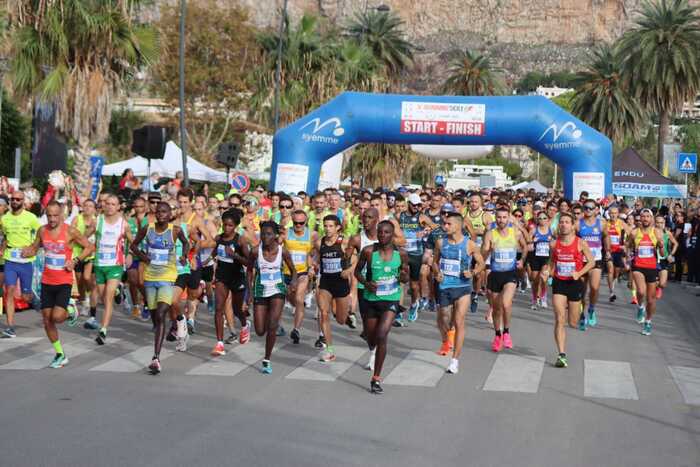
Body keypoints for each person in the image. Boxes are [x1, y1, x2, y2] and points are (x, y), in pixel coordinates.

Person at [27, 201, 93, 368]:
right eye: (49, 215)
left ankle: (71, 310)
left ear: (62, 214)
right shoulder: (43, 231)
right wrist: (29, 250)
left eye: (55, 215)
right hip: (46, 281)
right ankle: (60, 354)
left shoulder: (70, 231)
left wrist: (75, 260)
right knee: (47, 320)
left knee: (57, 317)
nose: (52, 219)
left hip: (64, 280)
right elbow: (35, 246)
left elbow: (89, 247)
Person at [130, 202, 189, 374]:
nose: (161, 214)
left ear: (170, 213)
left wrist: (184, 256)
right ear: (155, 214)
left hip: (168, 277)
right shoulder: (147, 229)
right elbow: (134, 245)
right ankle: (172, 326)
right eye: (158, 212)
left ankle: (156, 357)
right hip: (150, 278)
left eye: (164, 212)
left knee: (162, 313)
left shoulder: (176, 230)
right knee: (156, 318)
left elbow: (186, 243)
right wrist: (143, 257)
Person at [354, 220, 409, 394]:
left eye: (386, 232)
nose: (382, 235)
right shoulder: (369, 252)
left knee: (382, 334)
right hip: (371, 300)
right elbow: (357, 272)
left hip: (391, 300)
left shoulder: (401, 254)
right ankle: (372, 345)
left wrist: (403, 276)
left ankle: (376, 378)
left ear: (392, 235)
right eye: (380, 232)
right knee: (372, 338)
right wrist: (366, 283)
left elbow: (406, 277)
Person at [433, 212, 484, 374]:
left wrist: (473, 272)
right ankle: (446, 338)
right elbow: (435, 262)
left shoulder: (469, 245)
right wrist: (437, 273)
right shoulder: (441, 243)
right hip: (445, 287)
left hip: (462, 287)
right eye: (444, 223)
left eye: (448, 224)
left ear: (458, 225)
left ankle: (454, 360)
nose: (445, 226)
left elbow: (481, 263)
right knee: (443, 317)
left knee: (459, 319)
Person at [545, 212, 595, 368]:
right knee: (560, 319)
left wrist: (579, 273)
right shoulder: (553, 244)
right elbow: (552, 262)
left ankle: (580, 309)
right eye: (561, 222)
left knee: (572, 322)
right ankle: (561, 354)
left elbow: (591, 262)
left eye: (567, 222)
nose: (563, 224)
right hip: (559, 283)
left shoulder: (581, 243)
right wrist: (547, 272)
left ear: (573, 225)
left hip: (574, 283)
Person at [247, 221, 297, 374]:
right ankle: (265, 318)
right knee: (260, 330)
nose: (265, 237)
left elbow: (293, 271)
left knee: (273, 325)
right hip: (260, 290)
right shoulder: (255, 251)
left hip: (278, 289)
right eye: (262, 234)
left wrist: (293, 283)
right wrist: (249, 292)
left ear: (275, 235)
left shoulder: (283, 251)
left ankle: (267, 359)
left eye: (268, 234)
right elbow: (249, 271)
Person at [88, 193, 134, 345]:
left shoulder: (123, 224)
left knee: (108, 298)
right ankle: (118, 290)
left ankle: (103, 330)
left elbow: (132, 242)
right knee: (102, 296)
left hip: (115, 265)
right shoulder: (97, 221)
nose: (109, 206)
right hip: (99, 264)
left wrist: (130, 254)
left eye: (113, 204)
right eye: (107, 203)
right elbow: (83, 236)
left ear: (118, 207)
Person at [482, 206, 527, 352]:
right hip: (495, 274)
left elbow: (525, 247)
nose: (501, 220)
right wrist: (488, 251)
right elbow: (483, 254)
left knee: (506, 304)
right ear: (496, 218)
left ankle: (506, 332)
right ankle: (497, 335)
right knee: (496, 309)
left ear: (509, 218)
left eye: (504, 217)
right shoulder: (490, 234)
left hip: (510, 273)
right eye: (499, 217)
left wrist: (522, 261)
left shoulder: (515, 233)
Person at [209, 208, 251, 355]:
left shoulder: (240, 240)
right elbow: (214, 253)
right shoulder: (219, 238)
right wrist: (206, 261)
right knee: (219, 308)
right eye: (225, 225)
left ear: (236, 226)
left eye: (230, 225)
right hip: (222, 277)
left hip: (237, 277)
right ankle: (220, 343)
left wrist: (235, 256)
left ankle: (245, 325)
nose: (227, 228)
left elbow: (249, 263)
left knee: (237, 309)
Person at [0, 190, 41, 337]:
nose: (15, 201)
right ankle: (10, 327)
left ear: (23, 201)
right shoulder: (4, 219)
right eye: (13, 199)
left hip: (25, 262)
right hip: (10, 259)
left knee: (25, 297)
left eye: (18, 199)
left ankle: (34, 299)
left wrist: (33, 248)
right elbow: (5, 236)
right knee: (9, 291)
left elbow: (41, 234)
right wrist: (2, 248)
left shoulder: (31, 218)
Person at [315, 215, 353, 362]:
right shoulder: (320, 242)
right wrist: (312, 265)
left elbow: (355, 258)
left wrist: (348, 271)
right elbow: (316, 256)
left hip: (340, 282)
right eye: (325, 226)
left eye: (330, 226)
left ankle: (347, 314)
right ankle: (329, 350)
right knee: (324, 314)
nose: (327, 229)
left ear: (337, 227)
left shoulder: (343, 242)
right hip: (325, 282)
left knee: (340, 320)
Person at [281, 209, 317, 344]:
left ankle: (296, 329)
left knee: (299, 298)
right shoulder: (286, 232)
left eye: (301, 223)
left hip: (302, 272)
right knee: (290, 299)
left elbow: (315, 252)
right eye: (295, 223)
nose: (298, 226)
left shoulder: (312, 235)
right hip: (286, 273)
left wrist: (312, 266)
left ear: (306, 222)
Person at [628, 209, 666, 336]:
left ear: (651, 219)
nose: (645, 219)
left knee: (651, 300)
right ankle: (640, 307)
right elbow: (628, 246)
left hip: (652, 267)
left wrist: (661, 246)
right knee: (640, 291)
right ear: (640, 218)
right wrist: (627, 257)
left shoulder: (657, 232)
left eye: (647, 217)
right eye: (643, 216)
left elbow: (662, 254)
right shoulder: (634, 233)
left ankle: (648, 321)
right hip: (638, 266)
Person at [399, 193, 434, 322]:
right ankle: (399, 310)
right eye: (414, 204)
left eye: (418, 205)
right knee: (401, 282)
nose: (416, 207)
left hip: (416, 253)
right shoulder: (400, 216)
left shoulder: (422, 217)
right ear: (409, 204)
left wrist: (426, 231)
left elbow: (436, 228)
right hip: (402, 253)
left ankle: (414, 303)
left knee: (413, 286)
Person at [575, 200, 610, 330]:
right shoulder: (578, 224)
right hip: (582, 260)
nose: (588, 210)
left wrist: (607, 251)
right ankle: (582, 315)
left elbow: (606, 236)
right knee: (582, 291)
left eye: (591, 208)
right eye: (586, 208)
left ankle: (591, 309)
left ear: (596, 210)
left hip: (596, 259)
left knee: (594, 288)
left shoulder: (601, 223)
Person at [526, 211, 553, 309]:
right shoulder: (533, 230)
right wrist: (531, 242)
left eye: (544, 218)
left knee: (544, 277)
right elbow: (528, 241)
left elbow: (557, 241)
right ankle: (534, 299)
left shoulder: (551, 230)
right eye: (540, 218)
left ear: (548, 220)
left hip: (546, 258)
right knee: (535, 280)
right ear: (537, 220)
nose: (542, 220)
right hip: (535, 257)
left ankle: (543, 297)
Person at [605, 205, 629, 302]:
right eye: (611, 213)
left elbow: (630, 235)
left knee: (616, 273)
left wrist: (626, 245)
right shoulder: (605, 224)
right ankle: (611, 292)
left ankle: (614, 281)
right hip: (609, 251)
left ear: (618, 214)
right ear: (609, 214)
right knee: (610, 270)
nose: (613, 215)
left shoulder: (622, 224)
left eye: (615, 213)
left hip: (619, 251)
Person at [655, 214, 678, 299]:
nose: (659, 225)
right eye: (657, 222)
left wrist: (671, 254)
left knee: (662, 283)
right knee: (652, 280)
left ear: (664, 223)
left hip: (664, 259)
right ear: (654, 223)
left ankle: (658, 287)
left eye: (661, 223)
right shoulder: (651, 232)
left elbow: (676, 244)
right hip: (653, 258)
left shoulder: (667, 233)